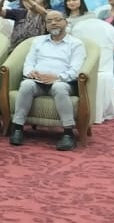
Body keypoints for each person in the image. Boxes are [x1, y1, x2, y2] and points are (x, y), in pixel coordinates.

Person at [7, 11, 86, 151]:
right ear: (45, 25)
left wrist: (57, 77)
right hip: (38, 82)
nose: (53, 23)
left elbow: (76, 70)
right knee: (26, 85)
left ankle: (68, 134)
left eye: (57, 20)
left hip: (63, 82)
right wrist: (31, 73)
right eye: (49, 21)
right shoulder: (38, 41)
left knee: (59, 88)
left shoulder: (76, 44)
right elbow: (29, 63)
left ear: (66, 22)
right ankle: (17, 128)